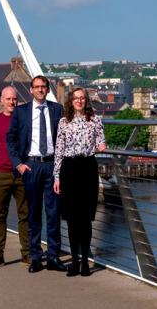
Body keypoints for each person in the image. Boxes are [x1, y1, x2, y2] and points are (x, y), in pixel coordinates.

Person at [6, 75, 67, 273]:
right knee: (33, 214)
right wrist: (18, 164)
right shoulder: (20, 112)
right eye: (37, 87)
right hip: (31, 166)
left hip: (52, 166)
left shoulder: (57, 109)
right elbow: (10, 139)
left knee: (53, 213)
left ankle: (53, 257)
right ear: (31, 90)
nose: (40, 90)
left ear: (48, 89)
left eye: (43, 87)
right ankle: (35, 257)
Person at [53, 87, 106, 277]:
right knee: (72, 219)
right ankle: (74, 261)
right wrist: (56, 177)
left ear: (86, 101)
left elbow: (101, 140)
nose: (79, 101)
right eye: (75, 98)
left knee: (86, 218)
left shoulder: (95, 121)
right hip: (69, 168)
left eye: (82, 98)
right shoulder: (63, 122)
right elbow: (58, 150)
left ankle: (85, 262)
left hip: (88, 168)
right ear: (71, 101)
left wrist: (101, 144)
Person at [0, 86, 30, 269]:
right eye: (8, 99)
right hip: (0, 174)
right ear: (1, 100)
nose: (12, 102)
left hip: (20, 175)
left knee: (24, 215)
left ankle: (26, 253)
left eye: (14, 99)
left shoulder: (23, 121)